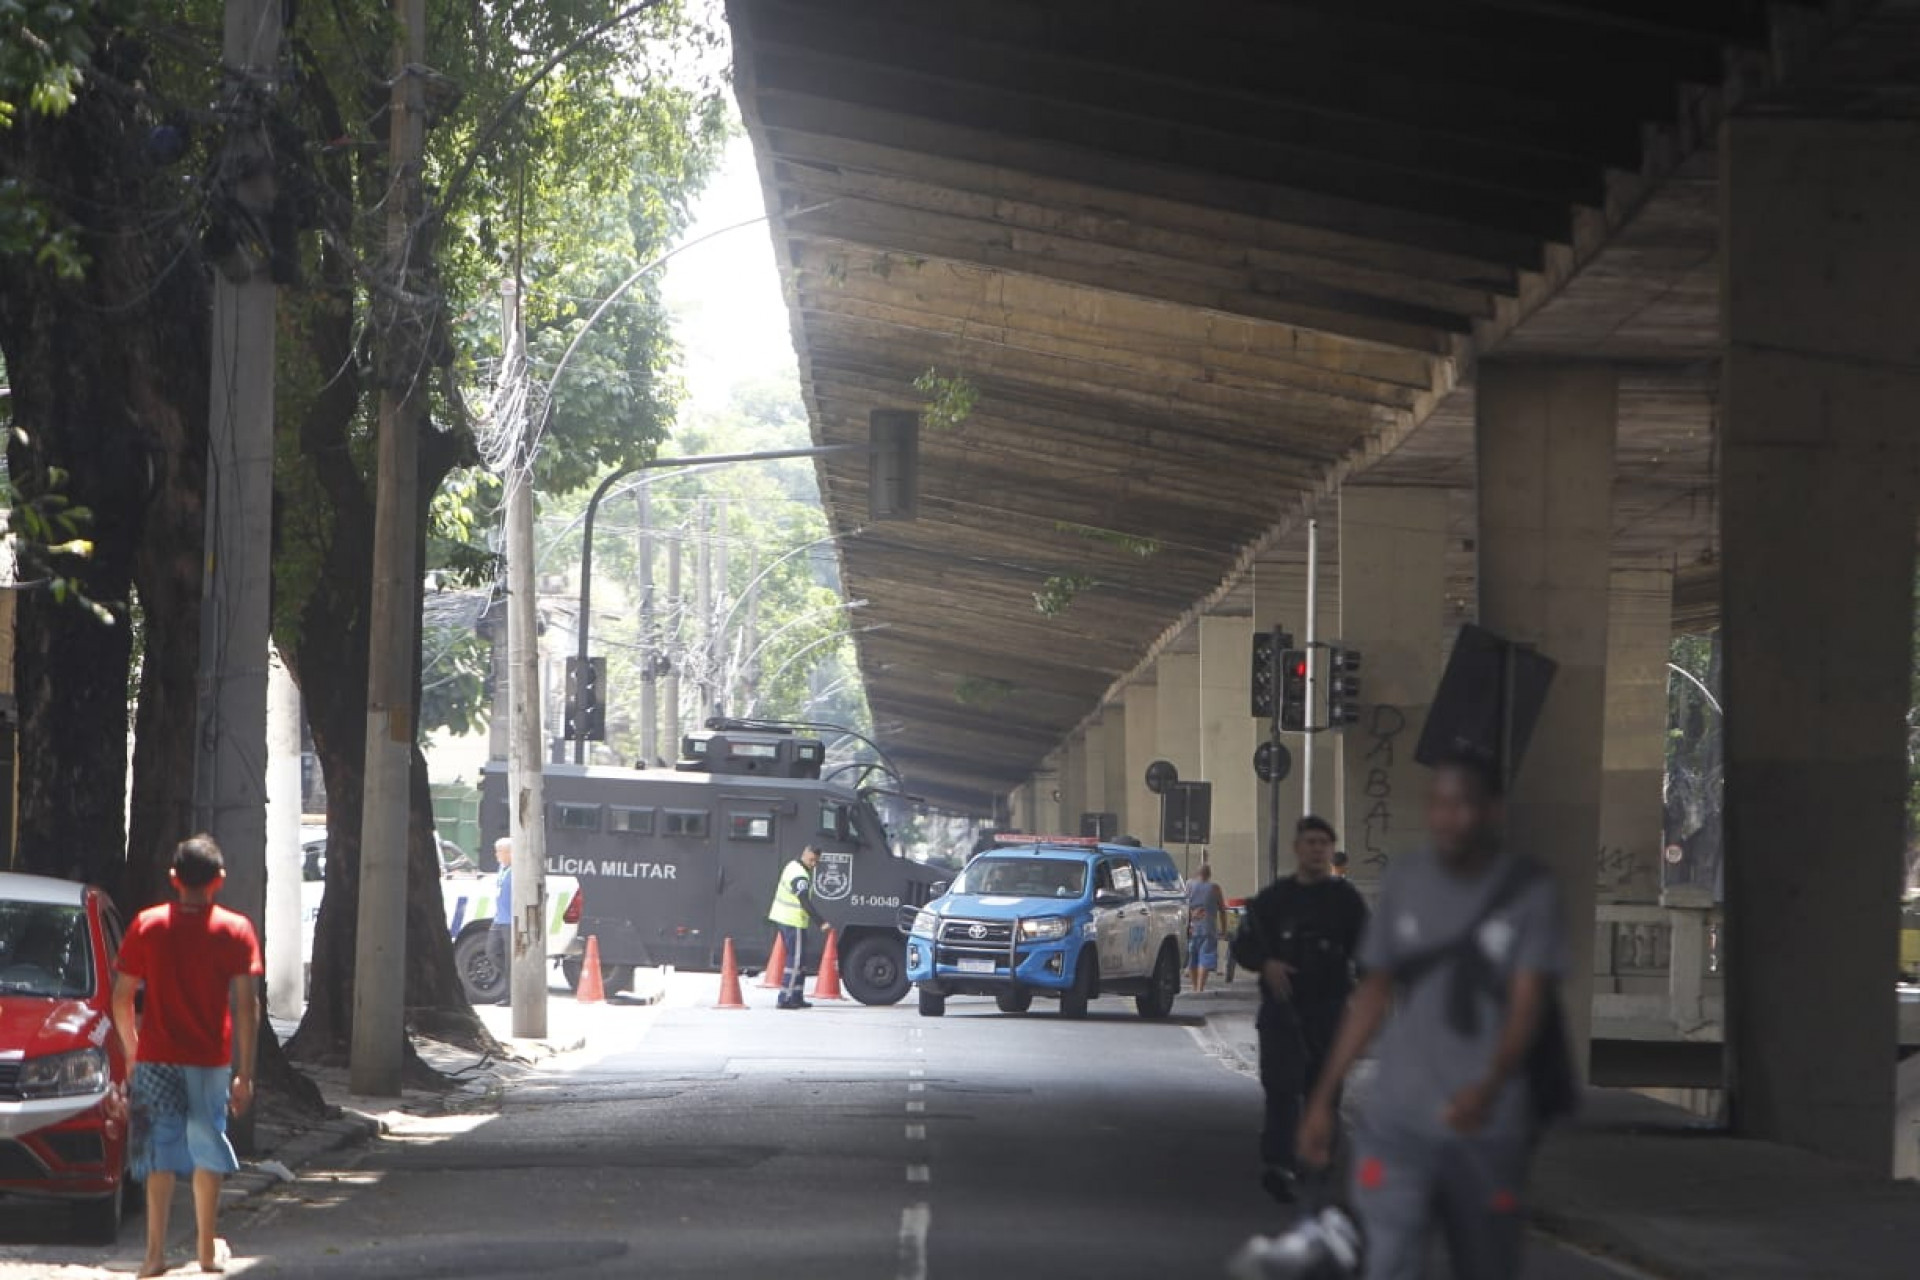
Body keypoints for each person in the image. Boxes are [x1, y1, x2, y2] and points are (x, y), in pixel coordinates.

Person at [1298, 754, 1569, 1280]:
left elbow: (1527, 1002)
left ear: (1492, 812)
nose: (1452, 817)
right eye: (1442, 804)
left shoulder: (1530, 892)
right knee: (1387, 1260)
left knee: (1485, 1265)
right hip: (1398, 1121)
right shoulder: (1406, 879)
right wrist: (1323, 1099)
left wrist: (1488, 1087)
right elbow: (1373, 995)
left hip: (1486, 1129)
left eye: (1465, 804)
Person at [111, 835, 263, 1278]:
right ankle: (206, 1251)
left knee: (158, 1154)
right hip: (210, 1060)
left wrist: (133, 1051)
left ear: (173, 879)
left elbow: (122, 998)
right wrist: (246, 1073)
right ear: (219, 881)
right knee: (207, 1147)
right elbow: (246, 1006)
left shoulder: (148, 925)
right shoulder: (236, 930)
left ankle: (154, 1254)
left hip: (156, 1057)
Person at [1232, 815, 1369, 1205]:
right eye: (1310, 843)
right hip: (1282, 1009)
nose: (1316, 850)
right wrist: (1267, 963)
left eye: (1323, 844)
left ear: (1330, 850)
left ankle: (1317, 1159)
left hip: (1328, 1008)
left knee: (1323, 1091)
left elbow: (1367, 949)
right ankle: (1278, 1163)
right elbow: (1245, 946)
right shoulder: (1274, 900)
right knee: (1280, 1090)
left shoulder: (1345, 901)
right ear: (1298, 848)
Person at [767, 845, 821, 1010]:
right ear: (805, 854)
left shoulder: (793, 865)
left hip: (786, 919)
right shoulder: (799, 875)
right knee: (796, 961)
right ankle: (785, 997)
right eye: (811, 860)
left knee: (801, 960)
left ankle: (796, 996)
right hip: (793, 921)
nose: (813, 864)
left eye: (816, 862)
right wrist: (821, 921)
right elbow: (804, 901)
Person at [1186, 864, 1227, 993]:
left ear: (1197, 874)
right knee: (1205, 958)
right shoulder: (1215, 888)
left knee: (1192, 958)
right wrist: (1224, 929)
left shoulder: (1189, 885)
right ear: (1209, 875)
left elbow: (1182, 905)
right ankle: (1200, 988)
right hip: (1208, 929)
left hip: (1191, 928)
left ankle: (1194, 987)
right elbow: (1222, 910)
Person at [491, 837, 513, 1006]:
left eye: (499, 851)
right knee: (492, 951)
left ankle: (511, 995)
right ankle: (510, 979)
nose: (496, 854)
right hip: (499, 919)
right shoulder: (502, 867)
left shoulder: (516, 870)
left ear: (509, 853)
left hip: (510, 921)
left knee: (509, 958)